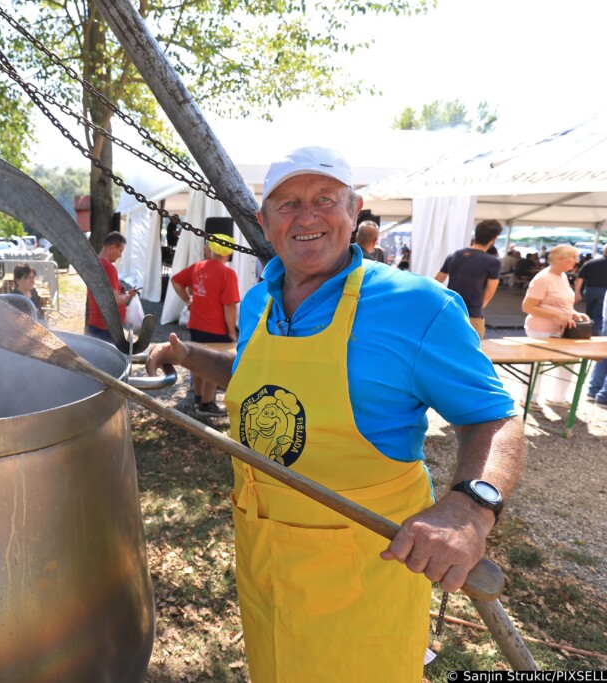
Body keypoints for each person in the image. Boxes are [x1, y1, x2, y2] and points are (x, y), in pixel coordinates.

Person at [144, 146, 523, 682]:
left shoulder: (416, 305)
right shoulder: (260, 301)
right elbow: (259, 376)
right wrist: (188, 355)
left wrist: (469, 509)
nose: (306, 216)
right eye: (287, 204)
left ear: (354, 210)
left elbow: (494, 415)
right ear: (265, 221)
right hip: (264, 556)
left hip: (365, 571)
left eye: (325, 199)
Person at [170, 233, 241, 418]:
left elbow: (175, 281)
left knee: (198, 361)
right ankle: (206, 404)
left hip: (196, 324)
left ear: (211, 248)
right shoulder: (228, 273)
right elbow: (229, 307)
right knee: (213, 365)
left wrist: (188, 300)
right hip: (216, 328)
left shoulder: (198, 266)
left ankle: (198, 397)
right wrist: (232, 332)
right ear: (229, 252)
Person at [521, 244, 591, 409]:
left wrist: (573, 313)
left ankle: (557, 398)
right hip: (541, 330)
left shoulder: (563, 276)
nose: (577, 261)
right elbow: (527, 307)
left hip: (563, 330)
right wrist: (558, 315)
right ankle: (529, 398)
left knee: (568, 362)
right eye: (573, 257)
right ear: (560, 259)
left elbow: (562, 304)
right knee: (537, 364)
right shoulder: (543, 278)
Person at [434, 219, 503, 339]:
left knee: (446, 348)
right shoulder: (493, 262)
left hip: (450, 310)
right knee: (470, 353)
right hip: (472, 314)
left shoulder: (454, 255)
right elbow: (490, 292)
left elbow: (436, 281)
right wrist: (477, 308)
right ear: (494, 238)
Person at [85, 231, 138, 342]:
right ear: (112, 247)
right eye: (120, 251)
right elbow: (115, 300)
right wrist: (129, 295)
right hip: (107, 327)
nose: (120, 255)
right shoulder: (109, 268)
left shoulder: (94, 264)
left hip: (96, 323)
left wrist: (120, 289)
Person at [574, 244, 607, 336]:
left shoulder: (590, 263)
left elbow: (580, 279)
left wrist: (577, 292)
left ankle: (588, 329)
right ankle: (592, 333)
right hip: (604, 292)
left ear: (603, 252)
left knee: (589, 312)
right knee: (598, 315)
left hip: (590, 290)